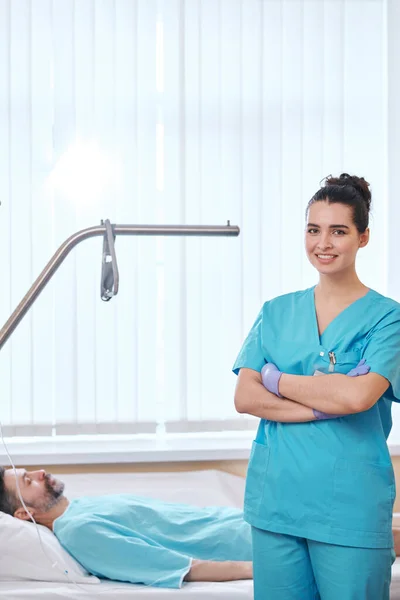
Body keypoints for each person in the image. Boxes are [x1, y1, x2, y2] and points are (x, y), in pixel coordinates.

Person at [233, 173, 400, 600]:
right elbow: (246, 397)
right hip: (276, 502)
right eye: (313, 230)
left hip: (348, 506)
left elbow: (359, 396)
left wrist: (276, 379)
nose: (323, 243)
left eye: (338, 231)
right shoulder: (276, 312)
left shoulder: (387, 319)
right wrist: (324, 403)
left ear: (363, 237)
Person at [0, 466, 252, 588]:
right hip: (255, 544)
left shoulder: (80, 507)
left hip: (244, 522)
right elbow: (185, 568)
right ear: (24, 513)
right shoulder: (79, 532)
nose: (40, 472)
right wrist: (268, 566)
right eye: (28, 481)